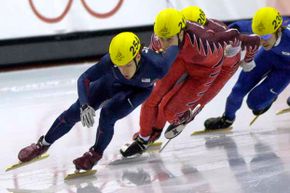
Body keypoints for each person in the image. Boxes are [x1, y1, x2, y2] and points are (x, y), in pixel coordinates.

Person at [17, 31, 180, 171]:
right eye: (119, 65)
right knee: (74, 113)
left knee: (108, 115)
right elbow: (84, 79)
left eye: (127, 65)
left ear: (137, 56)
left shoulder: (158, 66)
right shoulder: (110, 61)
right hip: (110, 83)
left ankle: (95, 153)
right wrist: (84, 105)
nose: (124, 70)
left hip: (137, 90)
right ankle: (42, 145)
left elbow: (177, 42)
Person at [120, 7, 242, 157]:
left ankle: (187, 115)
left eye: (169, 39)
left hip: (215, 67)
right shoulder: (162, 36)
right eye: (162, 38)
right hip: (184, 58)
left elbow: (237, 36)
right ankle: (145, 137)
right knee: (152, 97)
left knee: (170, 111)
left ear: (183, 31)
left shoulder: (206, 41)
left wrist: (195, 107)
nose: (163, 44)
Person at [204, 7, 290, 130]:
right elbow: (232, 29)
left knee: (254, 104)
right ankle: (227, 119)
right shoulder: (261, 26)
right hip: (268, 57)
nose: (261, 41)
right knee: (237, 91)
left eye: (265, 36)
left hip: (286, 70)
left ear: (278, 30)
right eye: (258, 36)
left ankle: (265, 101)